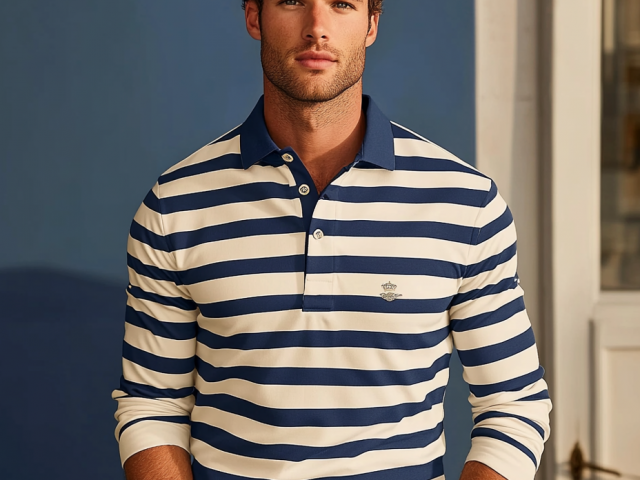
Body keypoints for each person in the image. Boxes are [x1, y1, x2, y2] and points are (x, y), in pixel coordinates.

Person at [112, 1, 552, 479]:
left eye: (342, 4)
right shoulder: (175, 206)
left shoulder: (465, 204)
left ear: (371, 24)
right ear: (254, 17)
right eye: (292, 1)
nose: (317, 27)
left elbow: (514, 405)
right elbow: (152, 406)